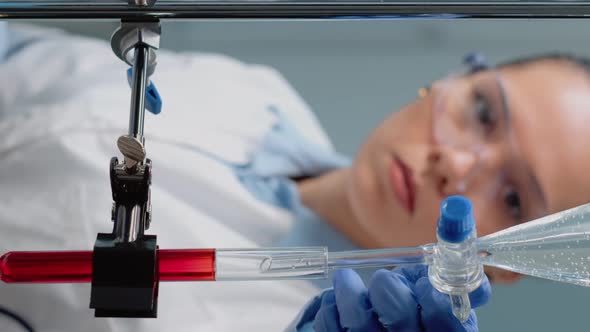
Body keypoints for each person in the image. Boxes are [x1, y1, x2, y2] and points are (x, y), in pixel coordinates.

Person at [0, 21, 589, 331]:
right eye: (483, 112)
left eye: (512, 197)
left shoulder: (308, 324)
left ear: (505, 270)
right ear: (448, 81)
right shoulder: (257, 94)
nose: (456, 165)